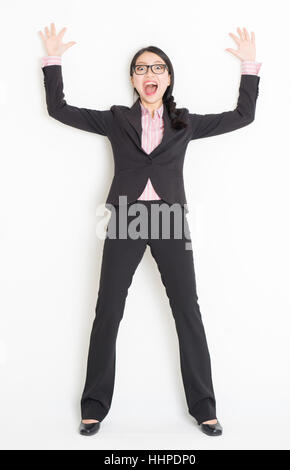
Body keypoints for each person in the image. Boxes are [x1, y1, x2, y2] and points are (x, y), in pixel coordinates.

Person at [38, 23, 261, 437]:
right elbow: (59, 110)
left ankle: (205, 408)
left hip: (170, 221)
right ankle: (94, 407)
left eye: (157, 67)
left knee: (187, 311)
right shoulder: (116, 119)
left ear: (168, 77)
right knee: (108, 309)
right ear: (133, 79)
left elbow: (243, 116)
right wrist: (53, 60)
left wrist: (249, 66)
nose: (149, 73)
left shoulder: (185, 123)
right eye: (142, 68)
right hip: (125, 217)